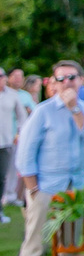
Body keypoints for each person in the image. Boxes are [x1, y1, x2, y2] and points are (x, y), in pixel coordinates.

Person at [14, 60, 84, 256]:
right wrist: (33, 190)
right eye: (60, 79)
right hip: (45, 188)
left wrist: (74, 109)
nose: (66, 83)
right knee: (34, 248)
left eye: (71, 77)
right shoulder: (43, 111)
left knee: (71, 249)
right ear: (54, 83)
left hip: (76, 189)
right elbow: (25, 154)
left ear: (81, 80)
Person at [0, 66, 29, 224]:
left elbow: (22, 117)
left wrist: (19, 133)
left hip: (5, 141)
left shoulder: (12, 95)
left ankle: (2, 206)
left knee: (3, 176)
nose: (1, 78)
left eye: (2, 75)